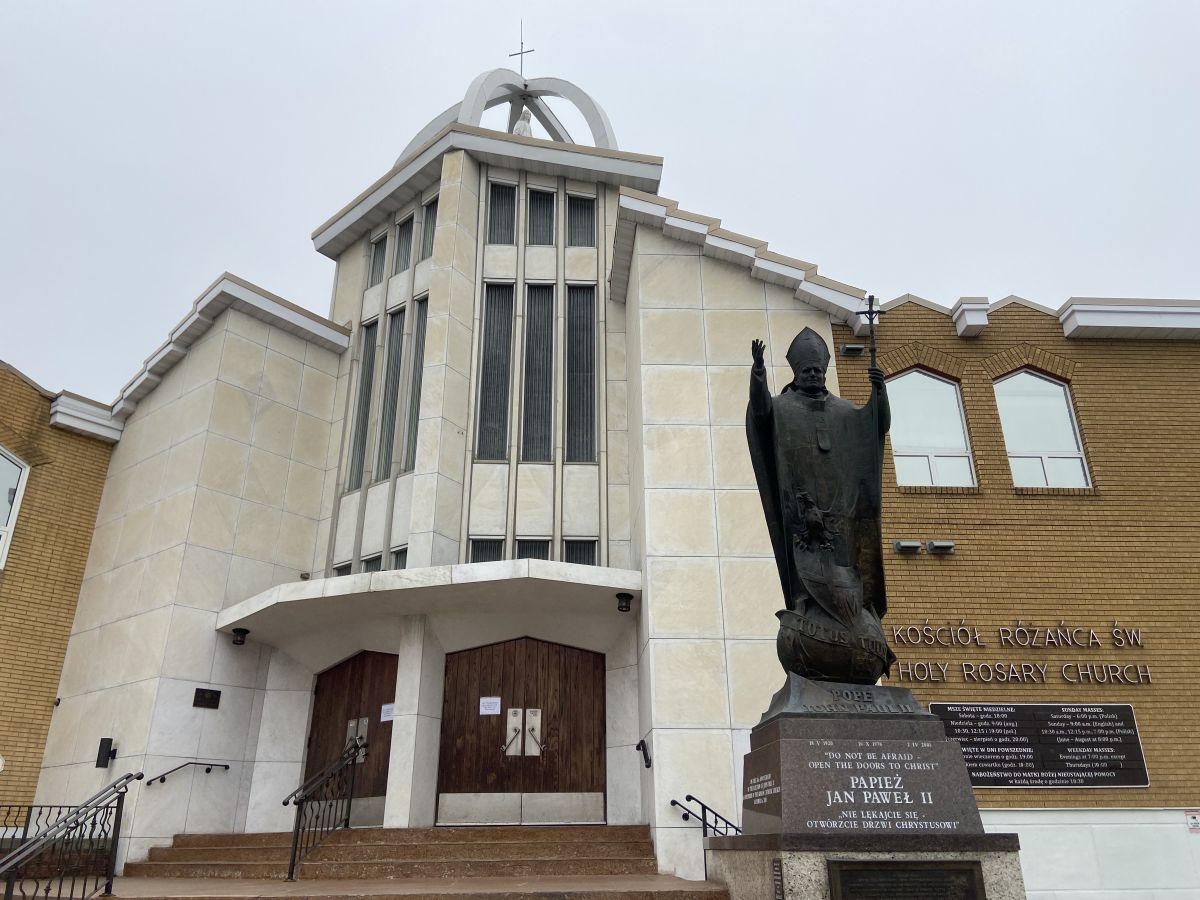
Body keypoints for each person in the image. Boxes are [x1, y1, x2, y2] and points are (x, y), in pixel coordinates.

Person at [746, 328, 895, 685]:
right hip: (801, 517)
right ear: (796, 373)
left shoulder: (844, 411)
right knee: (807, 571)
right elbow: (761, 415)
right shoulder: (782, 408)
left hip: (841, 514)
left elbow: (875, 425)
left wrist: (880, 393)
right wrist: (758, 373)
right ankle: (809, 612)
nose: (813, 376)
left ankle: (852, 624)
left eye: (818, 371)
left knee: (846, 569)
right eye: (807, 371)